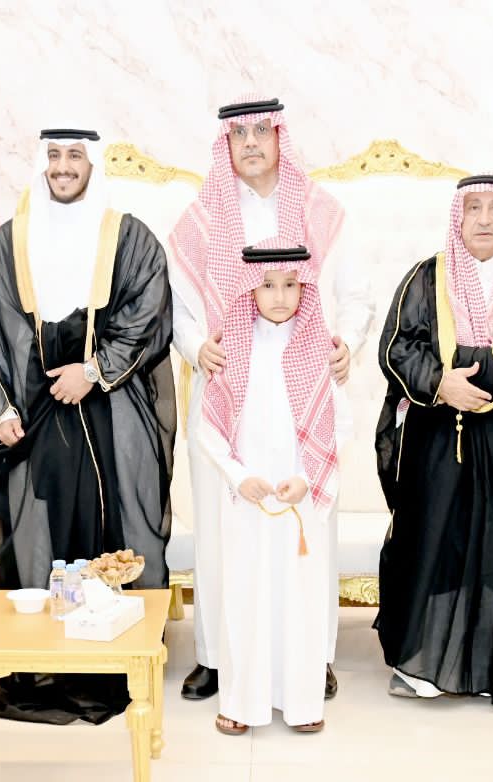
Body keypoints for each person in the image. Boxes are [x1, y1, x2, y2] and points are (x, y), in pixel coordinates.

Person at [169, 95, 369, 701]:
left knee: (308, 526)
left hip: (304, 388)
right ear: (226, 144)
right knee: (221, 526)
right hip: (226, 390)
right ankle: (216, 656)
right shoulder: (200, 221)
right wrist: (196, 346)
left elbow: (357, 296)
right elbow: (177, 308)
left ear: (281, 136)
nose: (252, 142)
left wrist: (347, 342)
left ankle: (313, 656)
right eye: (240, 134)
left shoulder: (322, 212)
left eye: (263, 130)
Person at [0, 127, 175, 724]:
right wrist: (0, 408)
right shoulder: (11, 240)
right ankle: (47, 660)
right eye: (54, 156)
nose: (63, 167)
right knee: (42, 528)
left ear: (93, 164)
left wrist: (94, 370)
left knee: (113, 525)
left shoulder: (129, 237)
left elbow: (147, 315)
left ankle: (111, 660)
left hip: (111, 406)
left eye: (75, 157)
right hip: (36, 408)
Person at [373, 174, 493, 711]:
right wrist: (441, 384)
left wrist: (487, 383)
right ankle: (420, 664)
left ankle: (486, 667)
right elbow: (396, 347)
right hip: (435, 441)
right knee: (432, 543)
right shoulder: (426, 277)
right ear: (458, 216)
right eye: (473, 208)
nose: (483, 219)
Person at [198, 242, 348, 735]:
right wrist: (239, 476)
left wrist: (307, 477)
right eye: (267, 285)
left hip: (300, 498)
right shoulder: (231, 350)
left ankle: (302, 703)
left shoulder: (320, 349)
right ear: (250, 290)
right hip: (248, 497)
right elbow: (210, 428)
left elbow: (340, 423)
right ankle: (241, 703)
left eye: (290, 285)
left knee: (300, 597)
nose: (280, 296)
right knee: (246, 595)